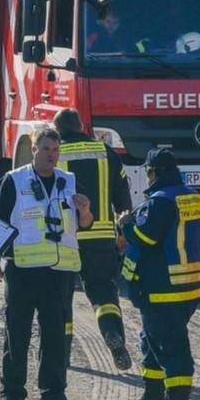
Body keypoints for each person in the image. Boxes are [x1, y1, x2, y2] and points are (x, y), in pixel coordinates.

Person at [0, 127, 92, 400]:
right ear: (33, 149)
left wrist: (84, 210)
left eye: (56, 150)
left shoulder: (69, 181)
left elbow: (86, 222)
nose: (51, 155)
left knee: (55, 337)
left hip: (58, 272)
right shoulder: (14, 180)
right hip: (22, 270)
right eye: (46, 149)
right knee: (17, 334)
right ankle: (12, 396)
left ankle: (53, 395)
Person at [116, 147, 200, 400]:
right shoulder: (190, 196)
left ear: (153, 172)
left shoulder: (161, 202)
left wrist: (126, 224)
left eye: (148, 172)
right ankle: (152, 399)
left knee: (172, 350)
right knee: (152, 343)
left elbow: (145, 236)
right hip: (185, 287)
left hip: (162, 289)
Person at [53, 107, 134, 371]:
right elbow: (123, 195)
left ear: (57, 130)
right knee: (103, 292)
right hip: (100, 237)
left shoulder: (53, 154)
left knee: (61, 298)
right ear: (82, 127)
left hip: (65, 239)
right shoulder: (105, 151)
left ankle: (62, 356)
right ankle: (112, 333)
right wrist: (123, 233)